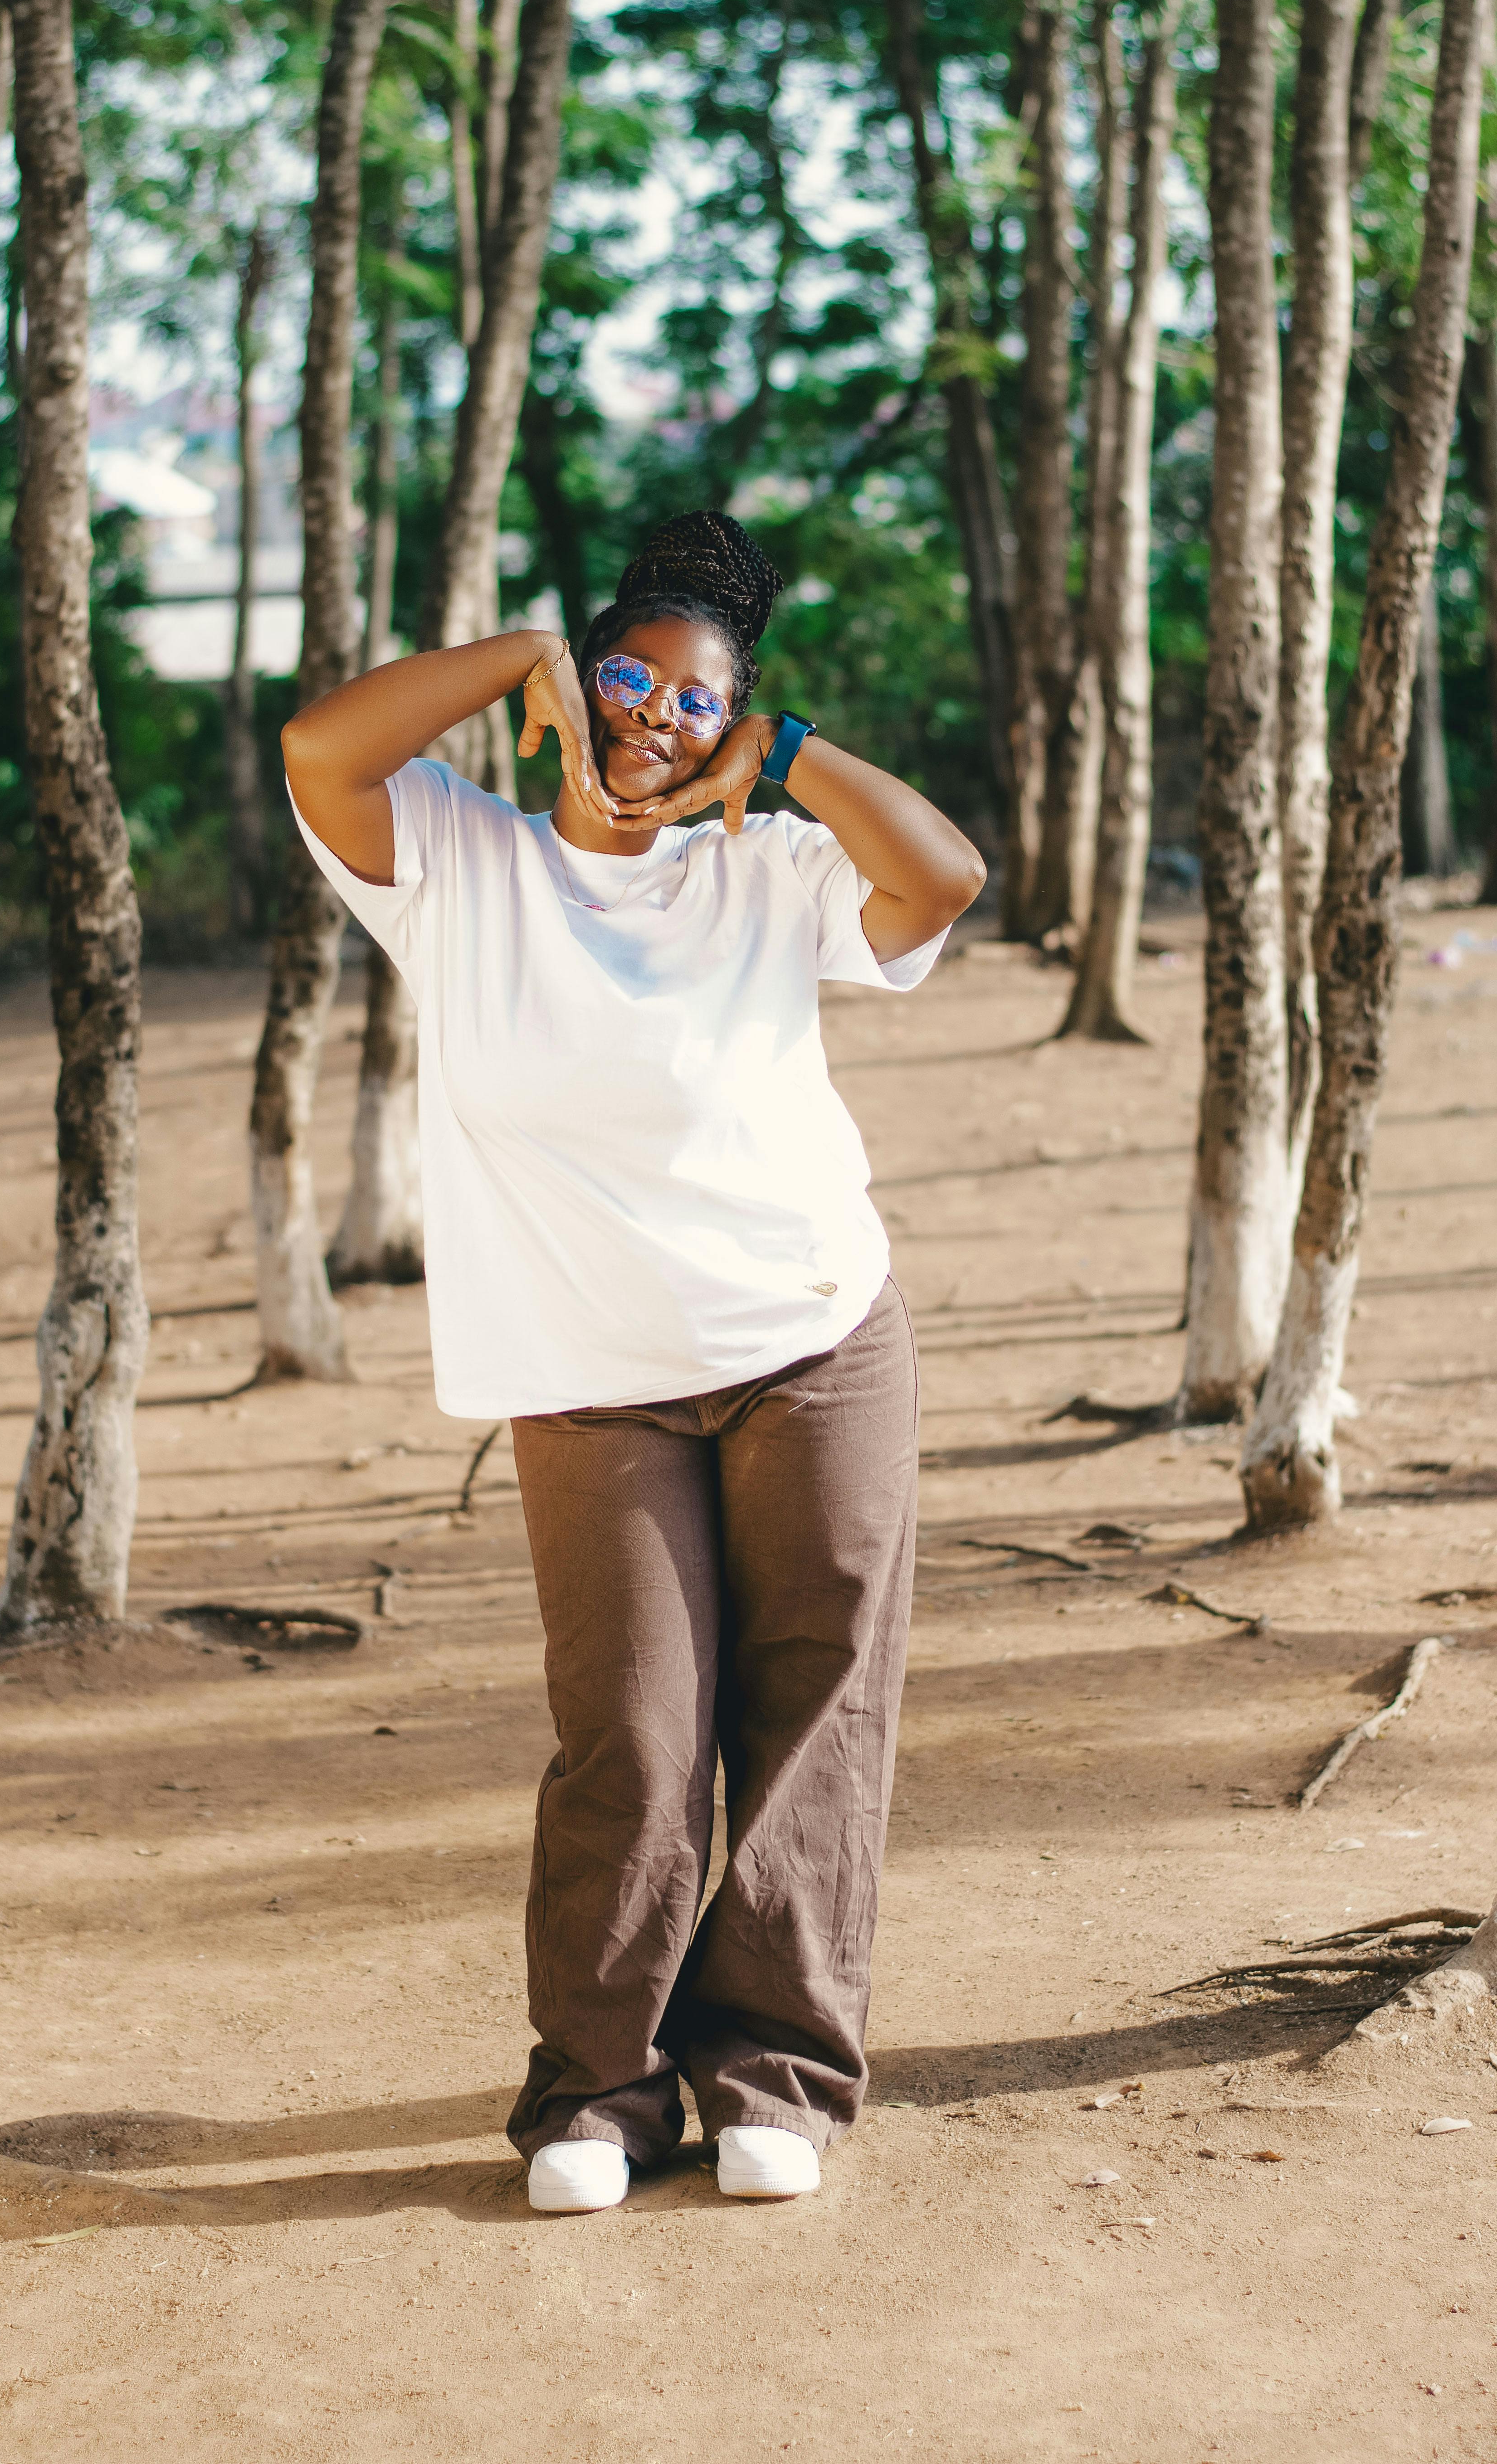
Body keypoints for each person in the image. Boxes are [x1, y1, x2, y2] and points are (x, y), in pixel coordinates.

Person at [283, 510, 985, 2215]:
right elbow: (318, 745)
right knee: (635, 1737)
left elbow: (943, 874)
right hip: (591, 1379)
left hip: (810, 1340)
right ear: (575, 685)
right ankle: (596, 2088)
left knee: (816, 1710)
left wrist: (790, 759)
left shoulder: (766, 864)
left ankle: (777, 2074)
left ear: (733, 721)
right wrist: (516, 656)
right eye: (624, 675)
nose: (654, 714)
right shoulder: (457, 862)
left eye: (698, 697)